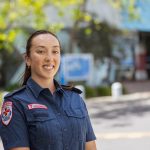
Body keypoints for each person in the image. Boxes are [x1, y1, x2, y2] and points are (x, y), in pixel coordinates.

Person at [0, 30, 97, 150]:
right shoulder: (16, 104)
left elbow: (90, 147)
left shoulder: (75, 99)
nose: (49, 58)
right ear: (27, 59)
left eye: (55, 51)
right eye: (41, 51)